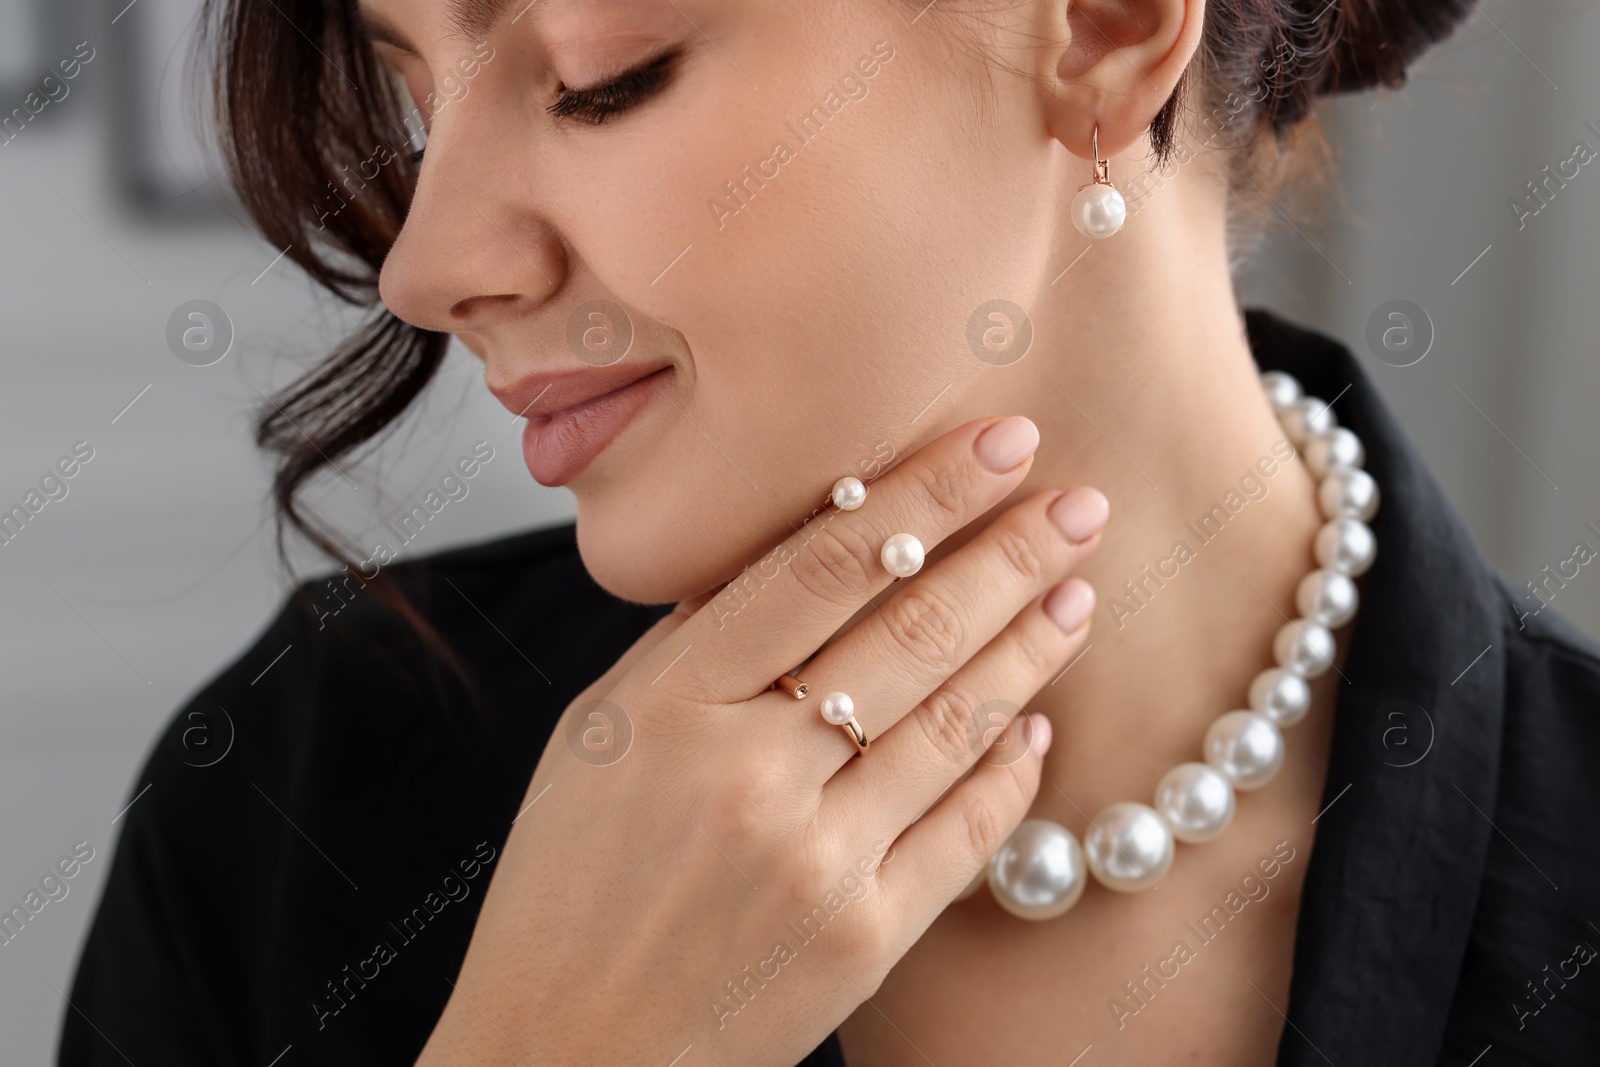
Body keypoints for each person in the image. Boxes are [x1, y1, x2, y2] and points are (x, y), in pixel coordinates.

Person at [60, 1, 1600, 1064]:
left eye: (605, 72)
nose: (429, 262)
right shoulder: (288, 799)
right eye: (410, 105)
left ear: (1109, 28)